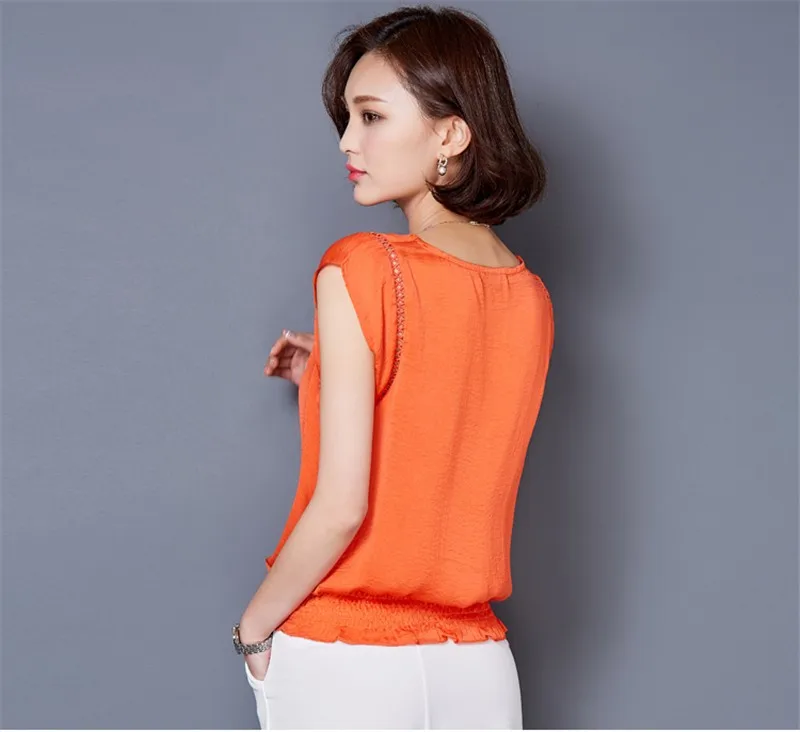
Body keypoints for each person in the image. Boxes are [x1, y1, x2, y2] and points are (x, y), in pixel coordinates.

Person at [235, 4, 554, 729]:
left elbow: (343, 508)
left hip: (345, 658)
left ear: (450, 133)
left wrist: (252, 630)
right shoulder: (531, 297)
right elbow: (443, 421)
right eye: (347, 118)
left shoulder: (361, 265)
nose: (348, 140)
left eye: (372, 116)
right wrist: (329, 376)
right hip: (480, 667)